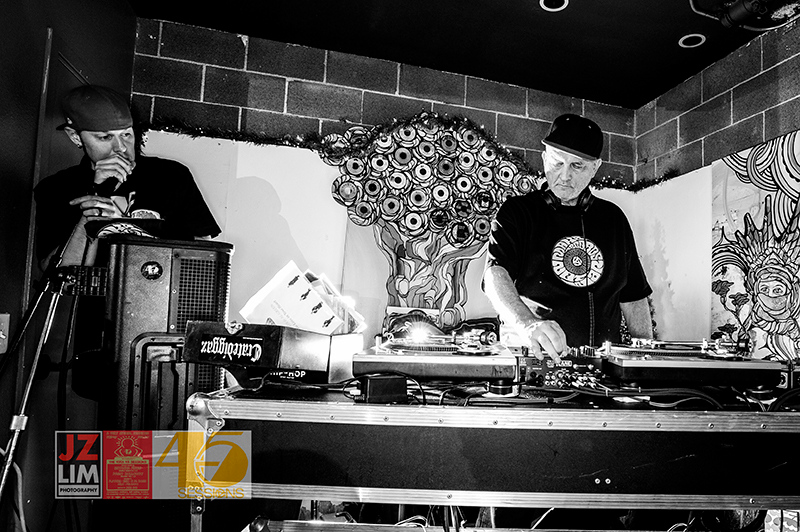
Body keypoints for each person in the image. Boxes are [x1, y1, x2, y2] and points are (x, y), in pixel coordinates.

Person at [483, 113, 653, 363]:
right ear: (544, 158)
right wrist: (527, 324)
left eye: (577, 166)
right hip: (538, 359)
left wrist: (647, 355)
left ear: (595, 167)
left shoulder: (613, 219)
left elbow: (634, 296)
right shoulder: (517, 212)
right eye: (557, 163)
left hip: (603, 365)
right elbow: (495, 274)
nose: (564, 176)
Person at [34, 84, 220, 270]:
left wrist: (131, 228)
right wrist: (93, 210)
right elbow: (59, 272)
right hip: (96, 289)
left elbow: (203, 251)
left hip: (159, 286)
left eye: (126, 135)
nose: (121, 147)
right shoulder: (57, 187)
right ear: (75, 137)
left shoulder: (170, 175)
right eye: (105, 137)